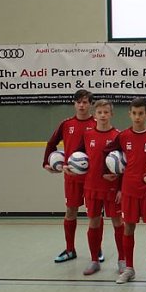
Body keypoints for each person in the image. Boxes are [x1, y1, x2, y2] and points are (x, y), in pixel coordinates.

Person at [104, 98, 146, 284]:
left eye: (141, 113)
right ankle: (129, 268)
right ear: (129, 114)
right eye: (134, 113)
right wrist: (106, 172)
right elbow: (106, 152)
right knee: (129, 227)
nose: (137, 117)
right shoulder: (123, 136)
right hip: (129, 190)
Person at [65, 99, 123, 276]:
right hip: (92, 187)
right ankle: (94, 260)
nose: (103, 115)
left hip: (112, 189)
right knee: (94, 222)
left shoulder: (118, 136)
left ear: (111, 114)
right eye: (100, 112)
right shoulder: (88, 134)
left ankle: (123, 260)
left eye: (106, 112)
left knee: (118, 222)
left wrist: (121, 188)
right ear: (95, 115)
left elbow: (124, 166)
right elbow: (78, 157)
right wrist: (70, 168)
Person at [42, 89, 96, 263]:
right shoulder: (66, 124)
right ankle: (70, 249)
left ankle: (97, 251)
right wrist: (46, 163)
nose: (81, 105)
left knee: (94, 215)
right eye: (78, 101)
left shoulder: (97, 123)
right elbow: (52, 143)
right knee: (71, 211)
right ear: (74, 104)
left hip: (92, 178)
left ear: (91, 105)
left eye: (85, 102)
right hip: (71, 178)